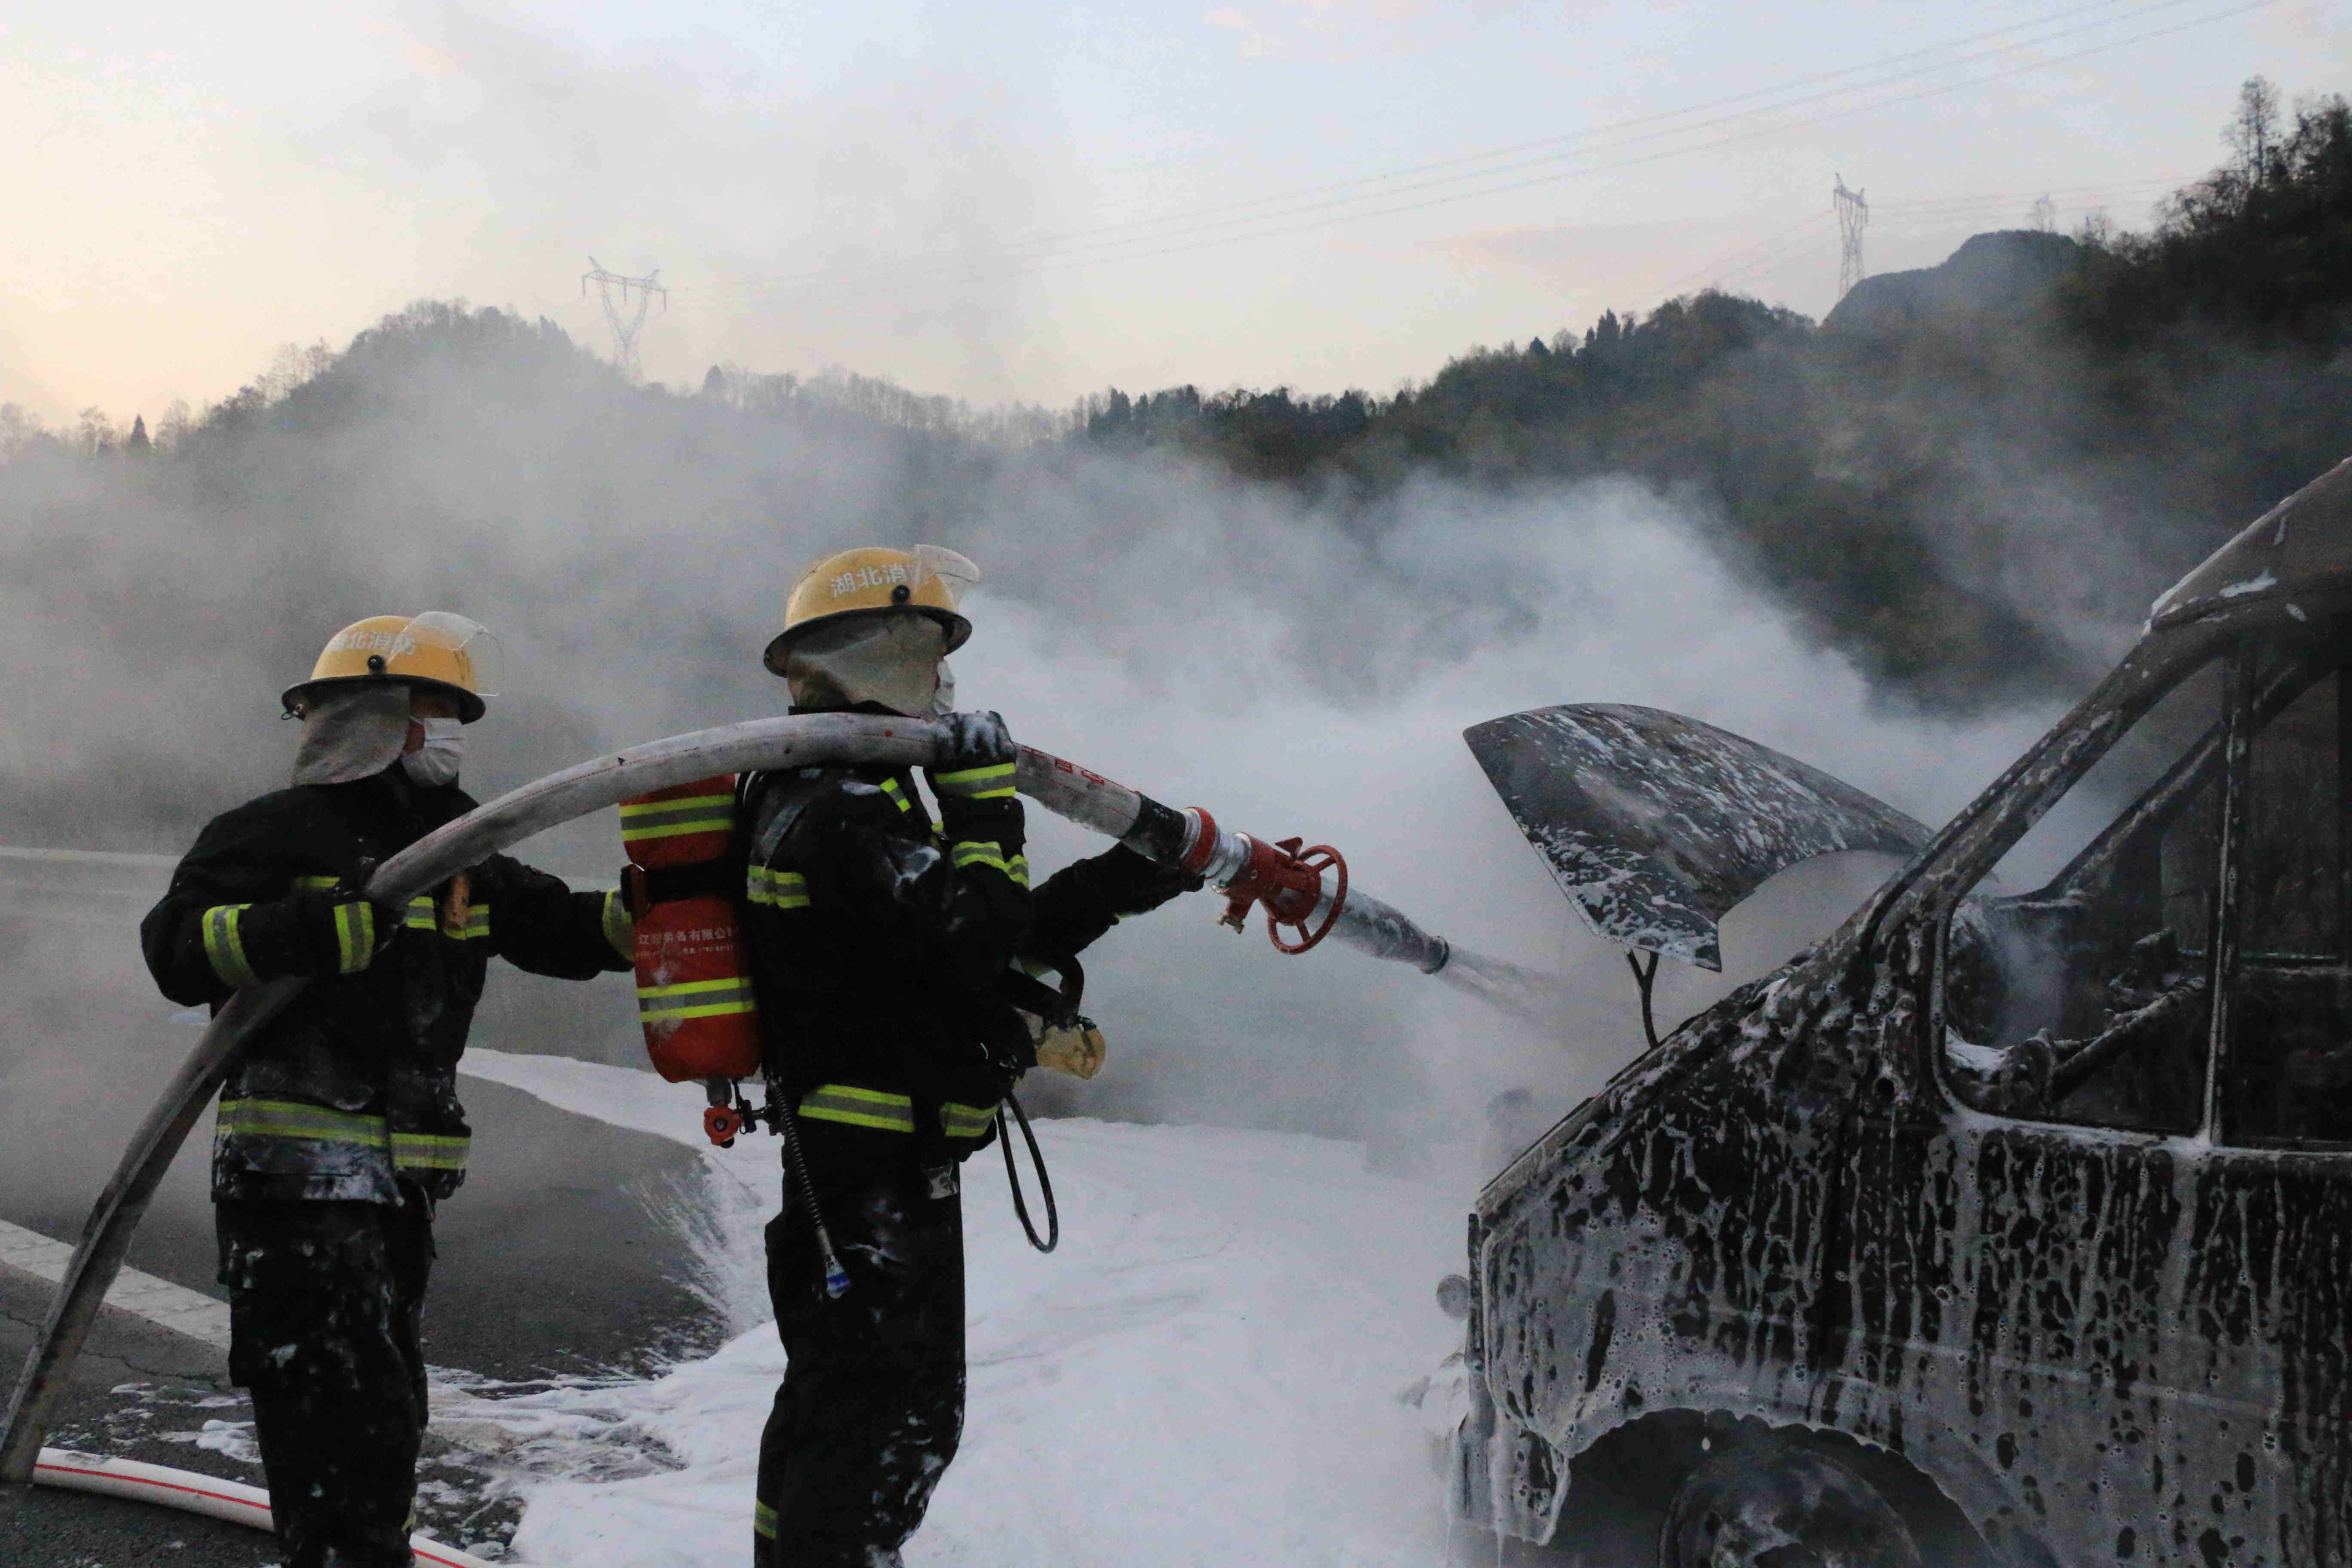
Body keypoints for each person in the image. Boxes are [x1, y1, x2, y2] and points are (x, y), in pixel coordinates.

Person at [139, 612, 634, 1568]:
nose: (452, 735)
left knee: (384, 1422)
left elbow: (558, 929)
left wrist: (651, 912)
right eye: (441, 711)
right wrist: (305, 928)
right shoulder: (273, 833)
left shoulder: (457, 846)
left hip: (395, 1190)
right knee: (337, 1430)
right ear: (382, 714)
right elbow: (174, 949)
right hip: (295, 1190)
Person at [742, 546, 1200, 1567]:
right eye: (930, 656)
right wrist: (989, 802)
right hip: (866, 1173)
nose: (946, 685)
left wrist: (1138, 874)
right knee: (880, 1425)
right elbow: (976, 936)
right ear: (878, 656)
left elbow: (982, 940)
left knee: (852, 1414)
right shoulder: (837, 810)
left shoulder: (859, 794)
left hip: (886, 1168)